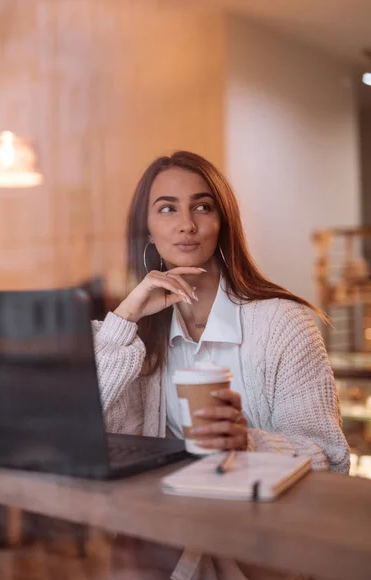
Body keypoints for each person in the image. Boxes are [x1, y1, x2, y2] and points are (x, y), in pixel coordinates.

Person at [92, 151, 349, 580]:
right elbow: (85, 424)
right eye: (167, 208)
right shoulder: (131, 333)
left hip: (264, 529)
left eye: (202, 206)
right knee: (131, 556)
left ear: (222, 222)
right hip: (170, 524)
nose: (186, 223)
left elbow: (332, 456)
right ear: (147, 231)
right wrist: (125, 318)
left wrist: (247, 443)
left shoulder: (284, 323)